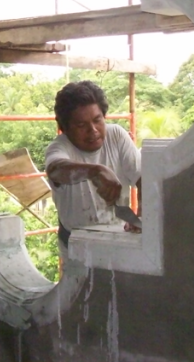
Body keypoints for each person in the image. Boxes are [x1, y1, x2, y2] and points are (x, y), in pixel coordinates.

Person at [44, 80, 141, 257]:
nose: (93, 130)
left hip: (118, 238)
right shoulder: (59, 148)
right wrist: (95, 171)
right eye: (81, 126)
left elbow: (143, 179)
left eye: (98, 120)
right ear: (64, 128)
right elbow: (56, 170)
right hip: (77, 245)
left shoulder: (117, 136)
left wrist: (143, 213)